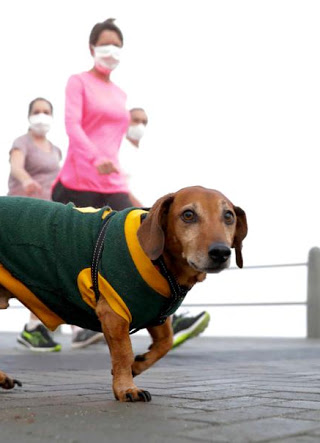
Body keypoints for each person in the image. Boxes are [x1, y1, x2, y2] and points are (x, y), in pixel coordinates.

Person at [51, 18, 132, 349]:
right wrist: (94, 156)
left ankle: (162, 314)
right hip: (78, 178)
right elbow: (72, 125)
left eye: (117, 45)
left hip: (112, 181)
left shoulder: (121, 93)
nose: (111, 50)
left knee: (140, 234)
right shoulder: (78, 82)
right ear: (92, 48)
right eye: (105, 43)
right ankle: (76, 326)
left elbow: (115, 134)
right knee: (77, 253)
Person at [119, 107, 212, 348]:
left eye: (144, 121)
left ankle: (170, 319)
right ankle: (167, 320)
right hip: (129, 214)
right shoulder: (117, 147)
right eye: (136, 120)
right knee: (156, 266)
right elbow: (115, 184)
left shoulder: (144, 154)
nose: (140, 125)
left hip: (148, 212)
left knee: (169, 265)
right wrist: (147, 211)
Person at [0, 97, 63, 352]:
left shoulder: (56, 150)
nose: (42, 116)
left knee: (44, 271)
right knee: (1, 270)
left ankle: (33, 328)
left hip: (46, 216)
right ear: (29, 115)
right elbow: (16, 167)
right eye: (37, 111)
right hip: (18, 213)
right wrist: (27, 180)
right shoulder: (22, 142)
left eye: (46, 111)